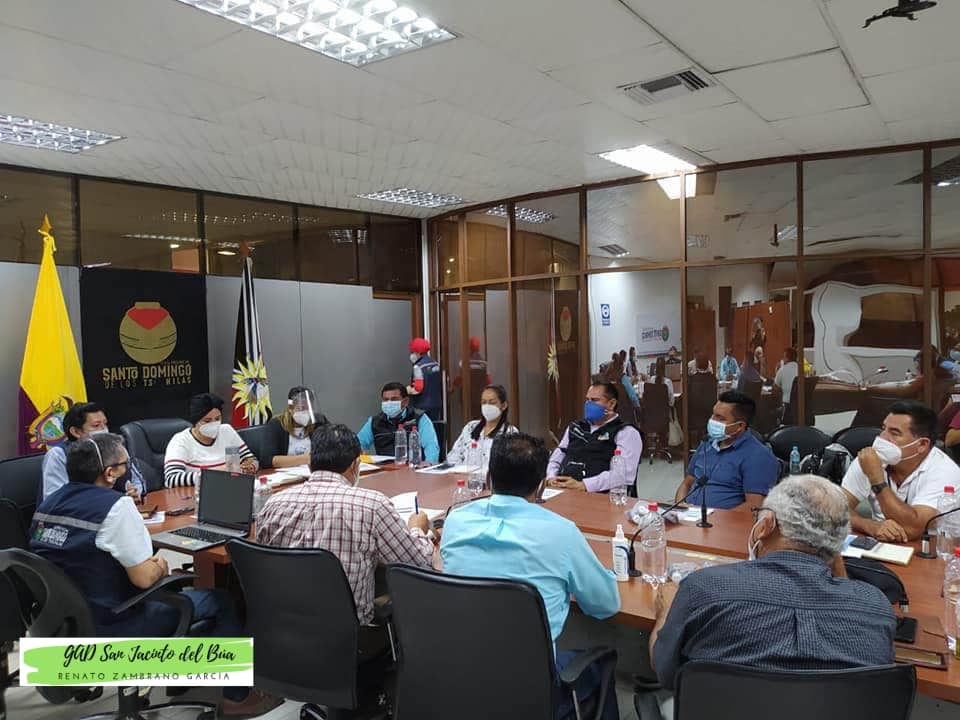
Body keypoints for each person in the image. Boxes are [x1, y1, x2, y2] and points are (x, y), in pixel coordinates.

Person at [29, 434, 279, 716]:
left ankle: (184, 676)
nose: (128, 471)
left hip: (64, 628)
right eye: (125, 465)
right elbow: (144, 578)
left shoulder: (47, 506)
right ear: (110, 473)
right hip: (115, 624)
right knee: (220, 601)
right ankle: (237, 698)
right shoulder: (115, 506)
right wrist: (159, 564)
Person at [650, 475, 895, 705]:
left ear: (766, 525)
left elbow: (666, 673)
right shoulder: (876, 607)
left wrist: (665, 612)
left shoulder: (704, 588)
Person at [441, 433, 621, 720]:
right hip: (530, 692)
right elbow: (605, 605)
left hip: (458, 678)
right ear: (541, 486)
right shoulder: (561, 532)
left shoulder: (456, 520)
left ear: (488, 478)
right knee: (600, 664)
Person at [256, 423, 436, 656]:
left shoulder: (273, 503)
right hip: (345, 637)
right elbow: (419, 563)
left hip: (279, 627)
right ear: (355, 465)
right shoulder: (371, 505)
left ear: (309, 464)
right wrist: (418, 529)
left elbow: (263, 561)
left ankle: (231, 669)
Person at [841, 400, 958, 541]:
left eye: (894, 433)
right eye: (883, 429)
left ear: (922, 444)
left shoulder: (945, 472)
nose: (882, 438)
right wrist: (869, 525)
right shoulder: (870, 458)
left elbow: (911, 529)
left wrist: (877, 479)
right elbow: (836, 508)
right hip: (880, 543)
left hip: (932, 547)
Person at [674, 391, 779, 510]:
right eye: (713, 414)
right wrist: (680, 508)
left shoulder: (759, 456)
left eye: (720, 418)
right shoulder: (706, 444)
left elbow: (754, 506)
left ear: (740, 426)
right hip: (687, 515)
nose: (712, 420)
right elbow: (687, 483)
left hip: (723, 520)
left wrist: (715, 519)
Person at [546, 381, 642, 493]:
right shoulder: (576, 427)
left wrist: (584, 485)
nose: (588, 404)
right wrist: (551, 477)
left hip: (600, 496)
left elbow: (624, 474)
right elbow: (557, 457)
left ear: (611, 404)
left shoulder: (626, 432)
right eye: (587, 400)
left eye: (594, 400)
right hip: (562, 491)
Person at [41, 401, 144, 502]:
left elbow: (137, 480)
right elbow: (55, 500)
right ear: (76, 432)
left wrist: (135, 492)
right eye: (96, 425)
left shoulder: (115, 448)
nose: (104, 429)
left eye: (105, 424)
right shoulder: (58, 455)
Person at [163, 393, 257, 487]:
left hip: (232, 487)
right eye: (207, 421)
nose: (214, 424)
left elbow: (250, 459)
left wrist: (249, 467)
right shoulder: (180, 440)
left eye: (217, 419)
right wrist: (215, 474)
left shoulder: (226, 431)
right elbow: (171, 479)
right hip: (199, 492)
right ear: (196, 421)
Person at [357, 382, 440, 463]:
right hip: (384, 468)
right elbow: (357, 444)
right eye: (386, 400)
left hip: (412, 467)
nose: (389, 403)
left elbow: (431, 446)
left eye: (394, 399)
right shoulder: (374, 422)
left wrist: (428, 464)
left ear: (406, 401)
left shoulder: (419, 418)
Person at [446, 385, 518, 468]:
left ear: (504, 405)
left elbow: (513, 466)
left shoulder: (510, 432)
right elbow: (453, 457)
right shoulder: (470, 427)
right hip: (466, 475)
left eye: (492, 403)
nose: (487, 406)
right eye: (484, 402)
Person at [260, 386, 328, 469]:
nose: (306, 412)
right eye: (302, 408)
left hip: (313, 472)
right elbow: (267, 460)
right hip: (285, 474)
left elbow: (333, 447)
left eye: (309, 409)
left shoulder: (318, 421)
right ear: (290, 408)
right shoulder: (276, 425)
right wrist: (305, 459)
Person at [407, 337, 443, 421]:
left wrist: (408, 390)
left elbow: (418, 388)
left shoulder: (418, 367)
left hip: (422, 406)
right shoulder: (435, 364)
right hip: (436, 404)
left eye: (412, 352)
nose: (411, 355)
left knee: (423, 426)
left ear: (418, 352)